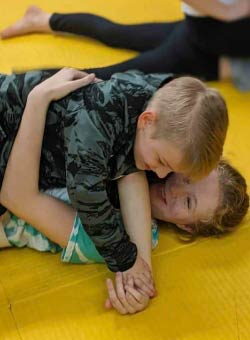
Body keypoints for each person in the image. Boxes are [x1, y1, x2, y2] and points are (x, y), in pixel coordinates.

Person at [0, 67, 228, 313]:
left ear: (188, 226)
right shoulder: (131, 130)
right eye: (180, 176)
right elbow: (88, 191)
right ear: (146, 120)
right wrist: (127, 261)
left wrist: (139, 279)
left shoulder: (146, 138)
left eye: (188, 203)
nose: (163, 176)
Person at [1, 2, 250, 83]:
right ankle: (13, 85)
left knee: (114, 33)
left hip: (204, 42)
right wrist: (227, 12)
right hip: (198, 44)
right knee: (100, 75)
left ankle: (43, 19)